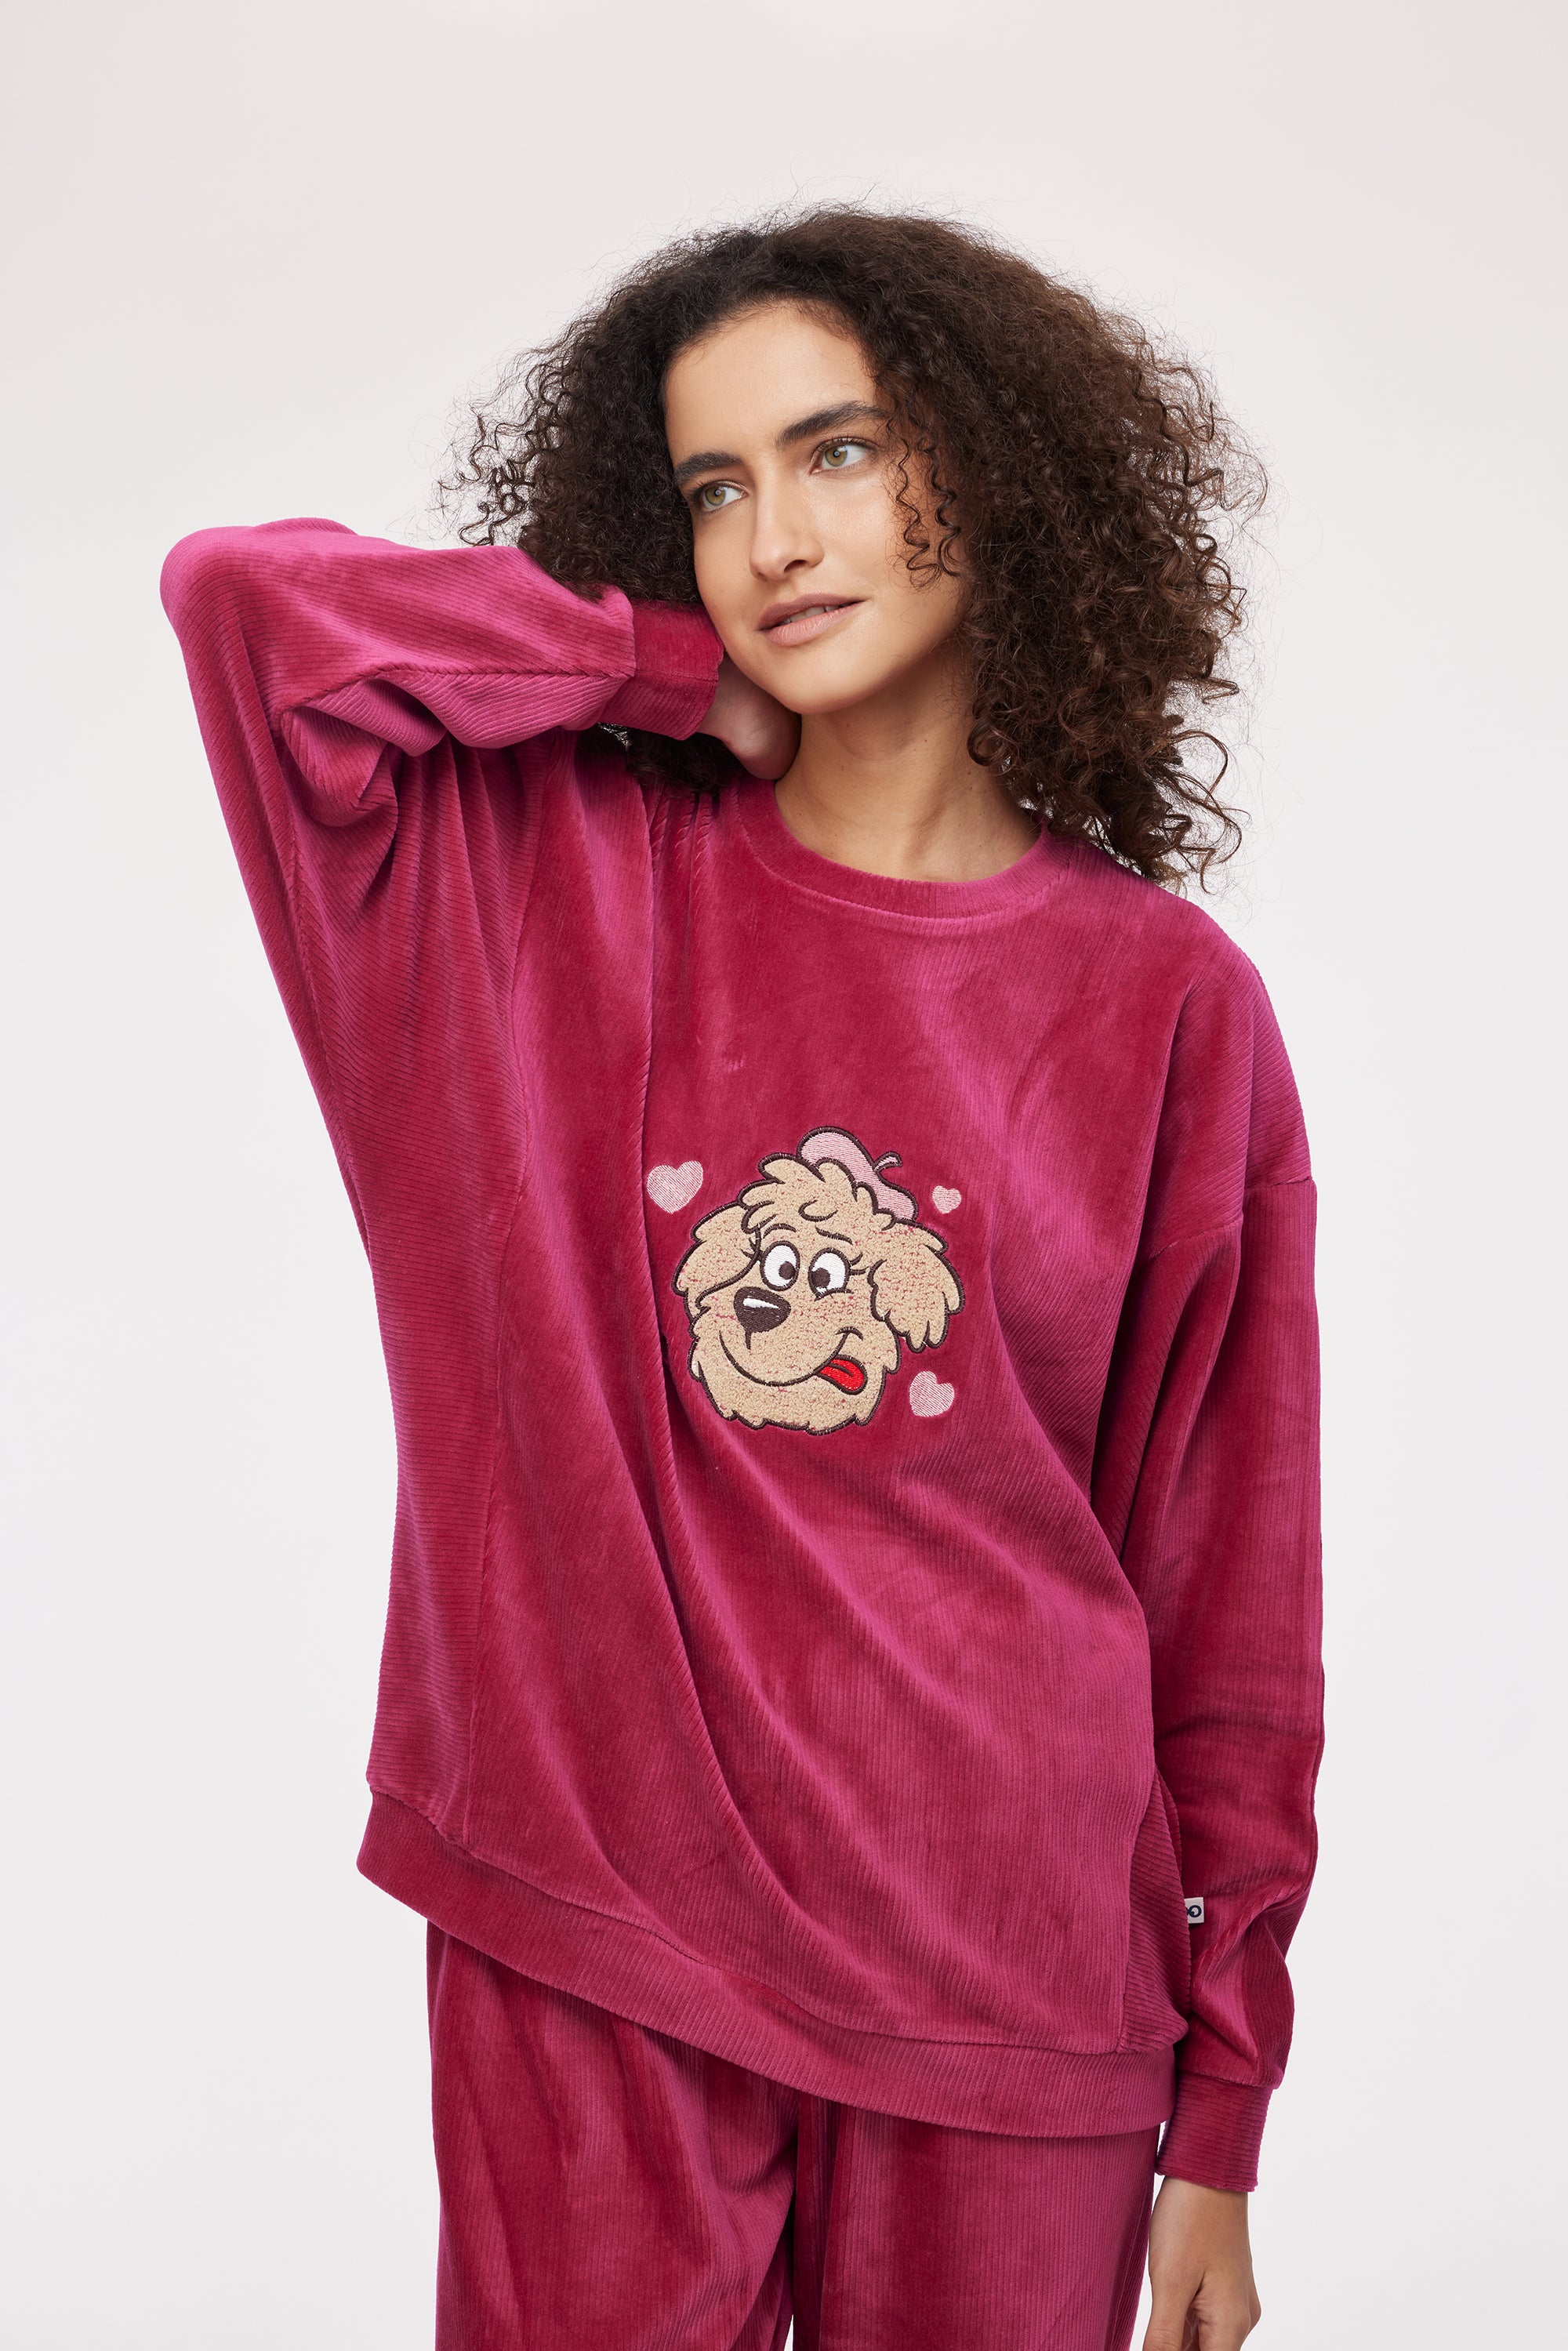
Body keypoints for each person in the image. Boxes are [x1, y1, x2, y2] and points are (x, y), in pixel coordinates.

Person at [162, 207, 1321, 2351]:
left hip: (1011, 1986)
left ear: (993, 462)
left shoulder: (1168, 1004)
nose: (776, 538)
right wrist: (675, 684)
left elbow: (1222, 1590)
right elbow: (248, 610)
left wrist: (1225, 2112)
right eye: (714, 487)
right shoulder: (527, 892)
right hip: (593, 1919)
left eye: (840, 451)